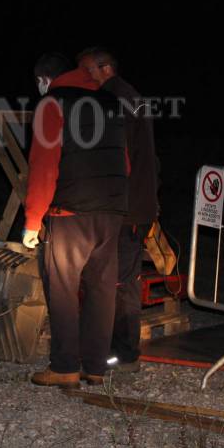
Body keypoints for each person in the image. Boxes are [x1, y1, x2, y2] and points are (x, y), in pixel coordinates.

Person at [22, 53, 128, 388]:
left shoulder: (52, 104)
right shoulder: (110, 102)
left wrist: (32, 220)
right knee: (101, 290)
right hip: (111, 211)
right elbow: (124, 161)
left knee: (63, 290)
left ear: (43, 80)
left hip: (70, 213)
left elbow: (44, 166)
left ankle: (65, 365)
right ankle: (94, 367)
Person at [78, 47, 160, 373]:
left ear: (106, 68)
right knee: (119, 278)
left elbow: (118, 158)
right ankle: (116, 349)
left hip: (125, 209)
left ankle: (123, 353)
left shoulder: (114, 101)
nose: (83, 77)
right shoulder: (132, 97)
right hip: (134, 205)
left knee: (120, 281)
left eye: (87, 70)